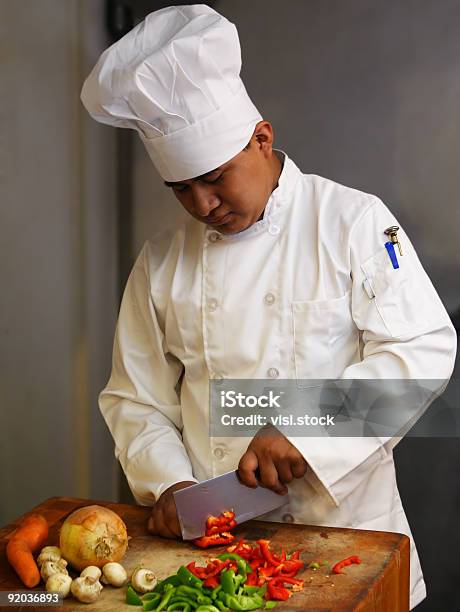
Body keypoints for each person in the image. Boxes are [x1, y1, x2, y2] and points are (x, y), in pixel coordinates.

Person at [81, 5, 456, 609]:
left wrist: (308, 427)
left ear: (262, 137)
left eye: (215, 177)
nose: (203, 204)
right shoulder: (160, 262)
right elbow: (135, 399)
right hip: (214, 553)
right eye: (181, 188)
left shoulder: (353, 223)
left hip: (349, 542)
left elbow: (423, 349)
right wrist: (170, 484)